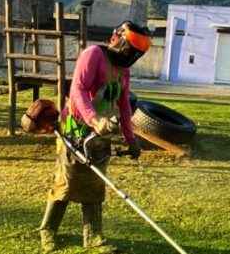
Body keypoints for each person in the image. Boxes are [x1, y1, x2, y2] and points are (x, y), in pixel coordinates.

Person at [39, 21, 148, 253]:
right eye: (129, 50)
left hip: (101, 134)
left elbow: (124, 106)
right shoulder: (93, 55)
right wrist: (94, 120)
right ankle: (47, 230)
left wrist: (131, 140)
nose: (130, 56)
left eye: (135, 54)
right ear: (116, 39)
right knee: (66, 183)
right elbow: (77, 89)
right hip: (76, 130)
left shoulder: (123, 71)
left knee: (96, 185)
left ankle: (94, 236)